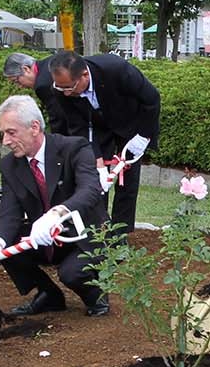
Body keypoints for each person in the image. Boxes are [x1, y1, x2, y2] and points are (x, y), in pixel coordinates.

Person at [0, 94, 109, 317]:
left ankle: (96, 297)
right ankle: (49, 296)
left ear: (34, 127)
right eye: (3, 133)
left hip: (85, 234)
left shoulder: (74, 148)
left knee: (72, 273)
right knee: (8, 245)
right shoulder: (9, 166)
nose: (5, 141)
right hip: (45, 238)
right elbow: (9, 213)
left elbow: (90, 190)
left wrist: (57, 213)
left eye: (11, 132)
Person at [47, 49, 160, 232]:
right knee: (94, 179)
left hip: (130, 122)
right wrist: (97, 162)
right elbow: (78, 126)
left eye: (70, 87)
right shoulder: (61, 88)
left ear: (84, 75)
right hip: (98, 126)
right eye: (61, 88)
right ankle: (97, 230)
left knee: (127, 182)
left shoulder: (116, 69)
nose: (66, 93)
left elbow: (152, 99)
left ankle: (120, 234)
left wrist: (144, 135)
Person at [2, 51, 62, 122]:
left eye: (16, 81)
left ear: (26, 69)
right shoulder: (52, 59)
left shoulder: (42, 86)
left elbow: (59, 119)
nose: (20, 86)